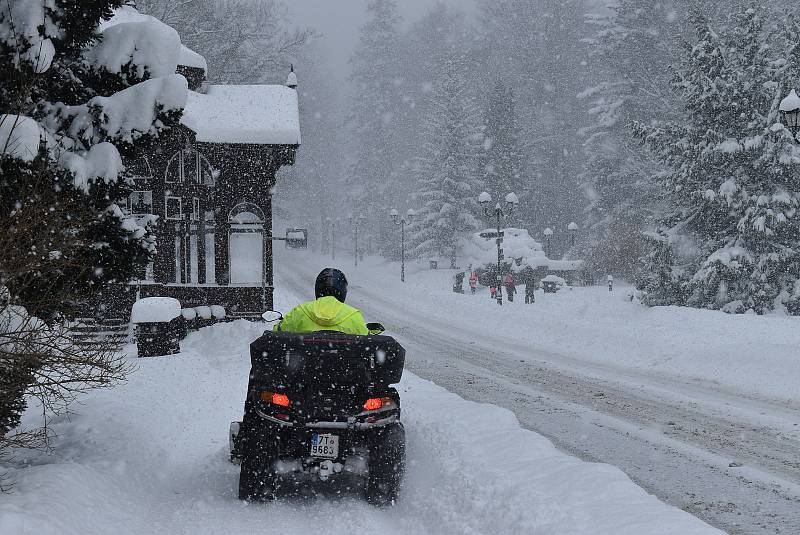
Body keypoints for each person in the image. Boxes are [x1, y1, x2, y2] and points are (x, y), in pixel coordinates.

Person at [275, 268, 369, 335]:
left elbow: (278, 331)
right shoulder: (354, 316)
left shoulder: (300, 311)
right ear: (343, 291)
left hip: (303, 362)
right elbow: (366, 339)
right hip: (344, 363)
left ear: (318, 289)